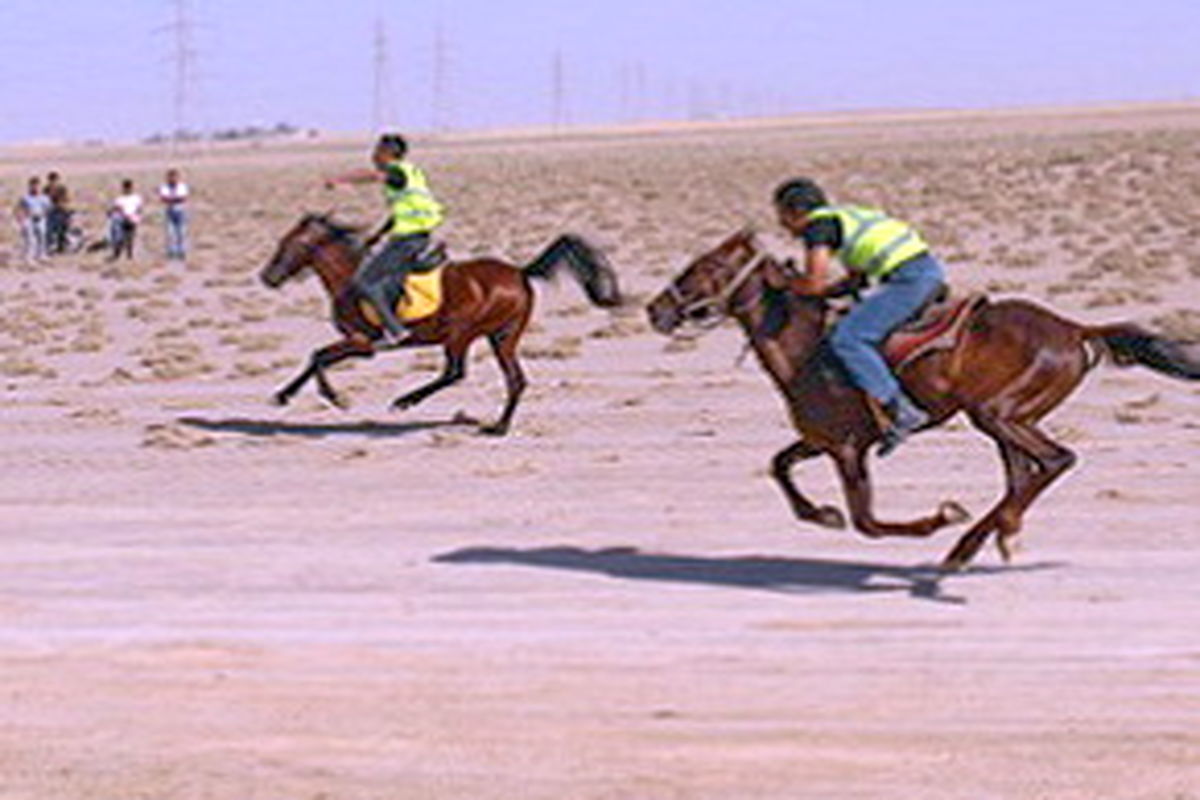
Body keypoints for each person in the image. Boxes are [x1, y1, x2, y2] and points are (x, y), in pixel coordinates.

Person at [773, 177, 944, 456]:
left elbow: (813, 282)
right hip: (921, 271)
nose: (782, 225)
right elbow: (856, 279)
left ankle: (900, 409)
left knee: (849, 338)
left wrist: (786, 284)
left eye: (782, 216)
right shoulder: (843, 218)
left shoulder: (818, 229)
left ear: (795, 212)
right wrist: (832, 290)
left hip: (909, 280)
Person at [324, 132, 445, 342]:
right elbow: (401, 212)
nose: (373, 157)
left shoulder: (398, 172)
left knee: (364, 282)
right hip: (415, 236)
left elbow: (374, 176)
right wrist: (379, 235)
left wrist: (340, 180)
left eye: (376, 152)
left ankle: (395, 330)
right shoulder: (413, 173)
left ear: (386, 153)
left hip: (407, 241)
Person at [13, 176, 51, 264]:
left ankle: (41, 255)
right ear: (29, 186)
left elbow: (48, 208)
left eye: (37, 185)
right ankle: (28, 258)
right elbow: (18, 209)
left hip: (40, 219)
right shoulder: (25, 198)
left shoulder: (44, 198)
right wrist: (20, 219)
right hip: (28, 219)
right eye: (33, 185)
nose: (35, 187)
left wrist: (43, 215)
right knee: (30, 240)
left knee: (42, 238)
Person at [108, 178, 144, 260]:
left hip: (133, 220)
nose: (127, 189)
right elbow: (116, 209)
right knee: (119, 238)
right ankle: (116, 254)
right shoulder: (119, 199)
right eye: (126, 187)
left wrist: (137, 217)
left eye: (129, 187)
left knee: (130, 238)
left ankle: (129, 255)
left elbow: (139, 209)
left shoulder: (136, 198)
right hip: (122, 220)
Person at [158, 167, 189, 260]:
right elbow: (163, 198)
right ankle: (171, 252)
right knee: (170, 232)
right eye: (170, 177)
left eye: (174, 177)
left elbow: (183, 198)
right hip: (169, 211)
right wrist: (174, 199)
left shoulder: (182, 186)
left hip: (180, 211)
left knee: (181, 232)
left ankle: (181, 251)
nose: (172, 179)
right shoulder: (164, 187)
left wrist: (171, 199)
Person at [44, 171, 71, 254]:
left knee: (62, 230)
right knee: (49, 230)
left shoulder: (62, 188)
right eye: (52, 180)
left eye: (55, 180)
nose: (53, 182)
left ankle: (61, 247)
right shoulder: (46, 189)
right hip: (51, 212)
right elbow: (44, 200)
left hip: (62, 211)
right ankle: (49, 247)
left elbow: (67, 199)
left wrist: (63, 206)